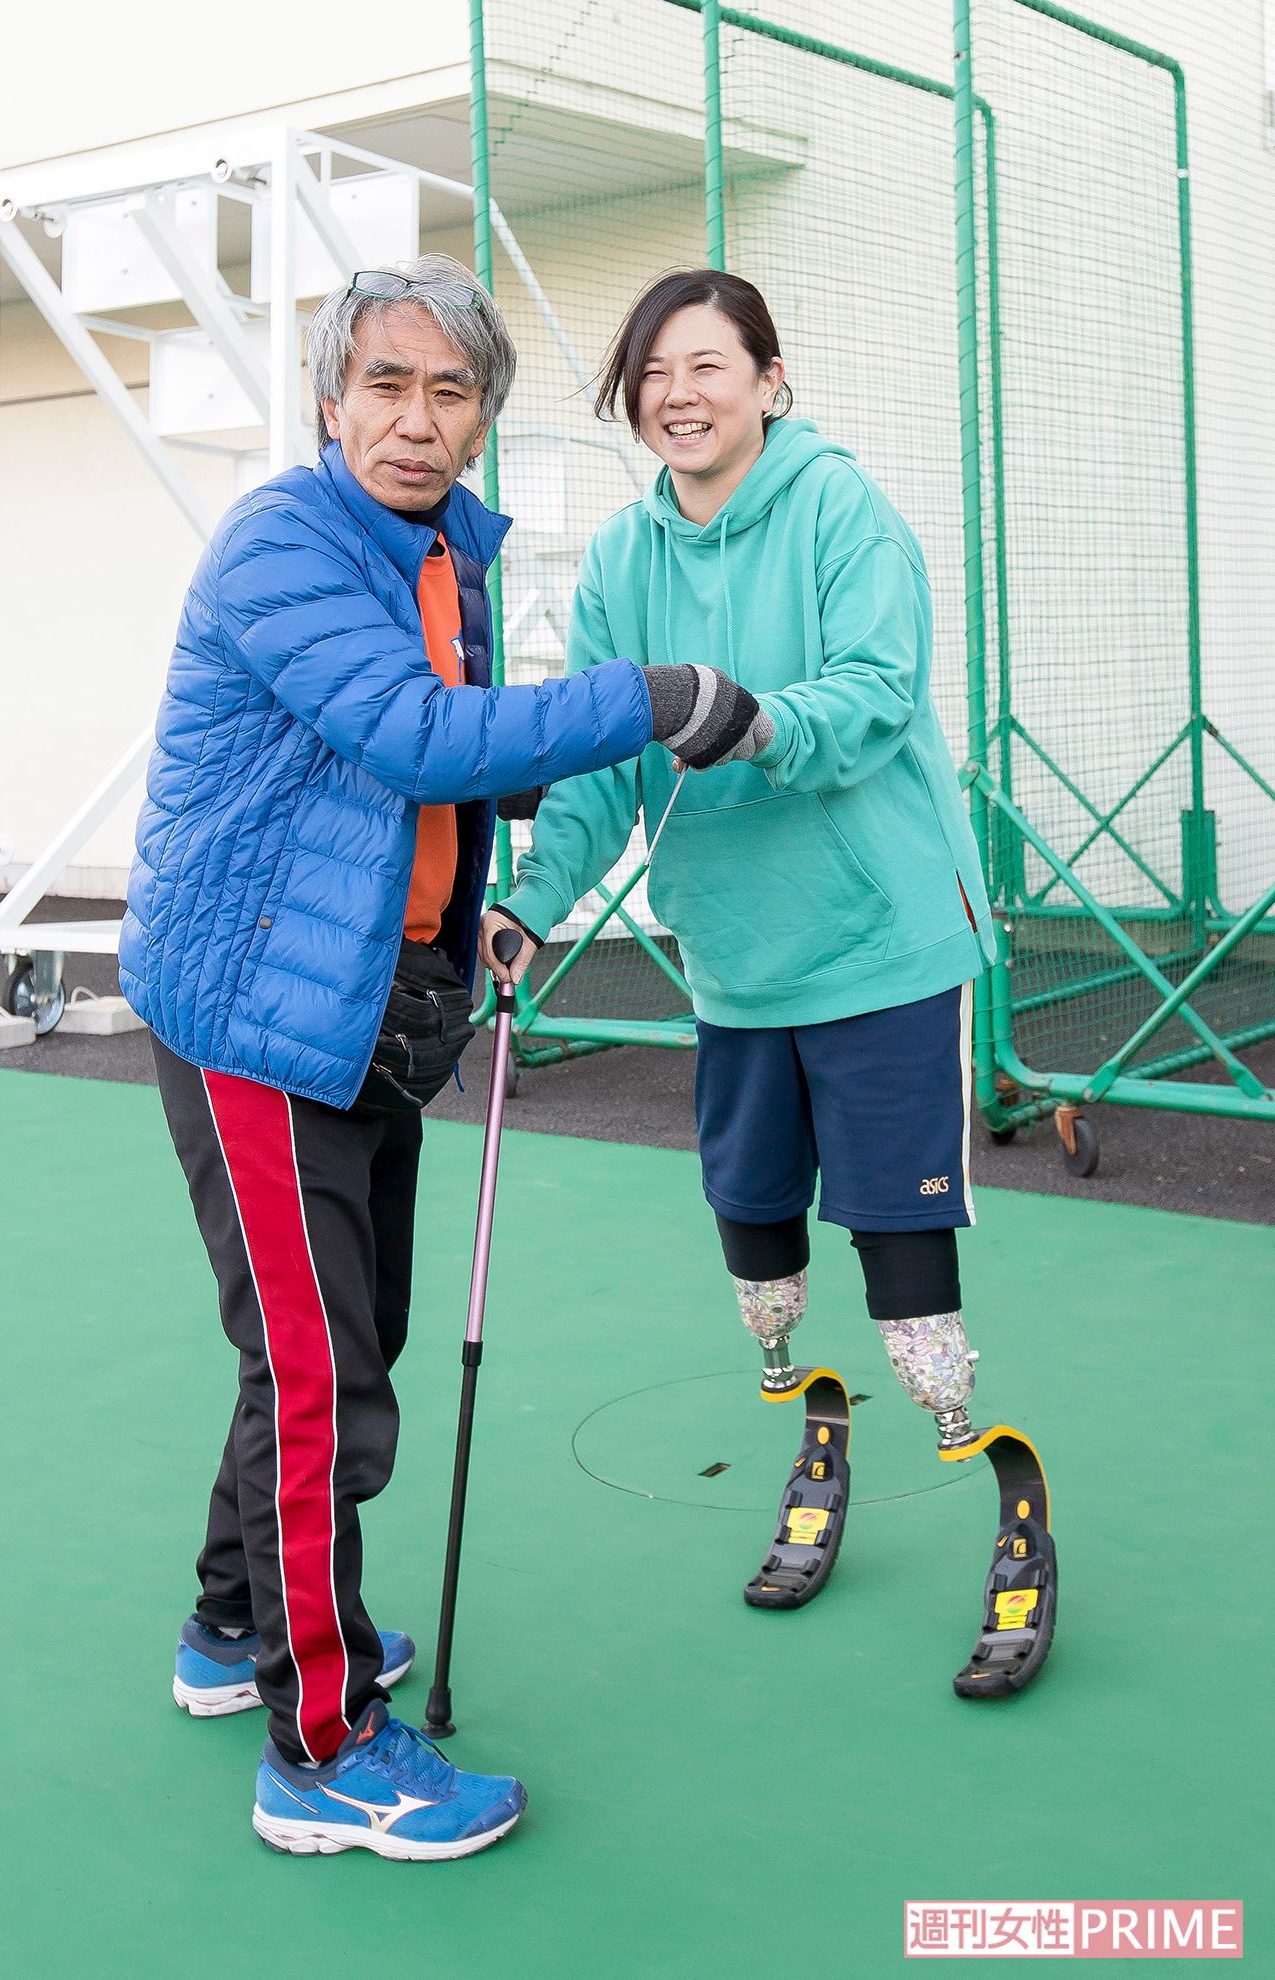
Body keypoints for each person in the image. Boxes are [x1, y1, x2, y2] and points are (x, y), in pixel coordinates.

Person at [119, 255, 763, 1861]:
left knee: (337, 1341)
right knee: (319, 1370)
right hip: (255, 1016)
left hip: (365, 1004)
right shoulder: (286, 542)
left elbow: (426, 792)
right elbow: (409, 734)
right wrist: (649, 696)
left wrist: (468, 909)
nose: (417, 419)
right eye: (386, 386)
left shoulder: (444, 551)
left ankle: (227, 1628)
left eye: (451, 390)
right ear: (331, 401)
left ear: (484, 416)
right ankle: (321, 1750)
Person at [482, 269, 1057, 1696]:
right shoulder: (623, 558)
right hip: (736, 963)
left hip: (878, 947)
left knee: (902, 1265)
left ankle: (1014, 1519)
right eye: (652, 374)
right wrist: (532, 907)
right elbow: (607, 758)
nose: (677, 393)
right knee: (759, 1259)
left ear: (769, 379)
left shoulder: (838, 509)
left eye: (706, 365)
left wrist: (747, 721)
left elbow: (874, 692)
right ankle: (817, 1451)